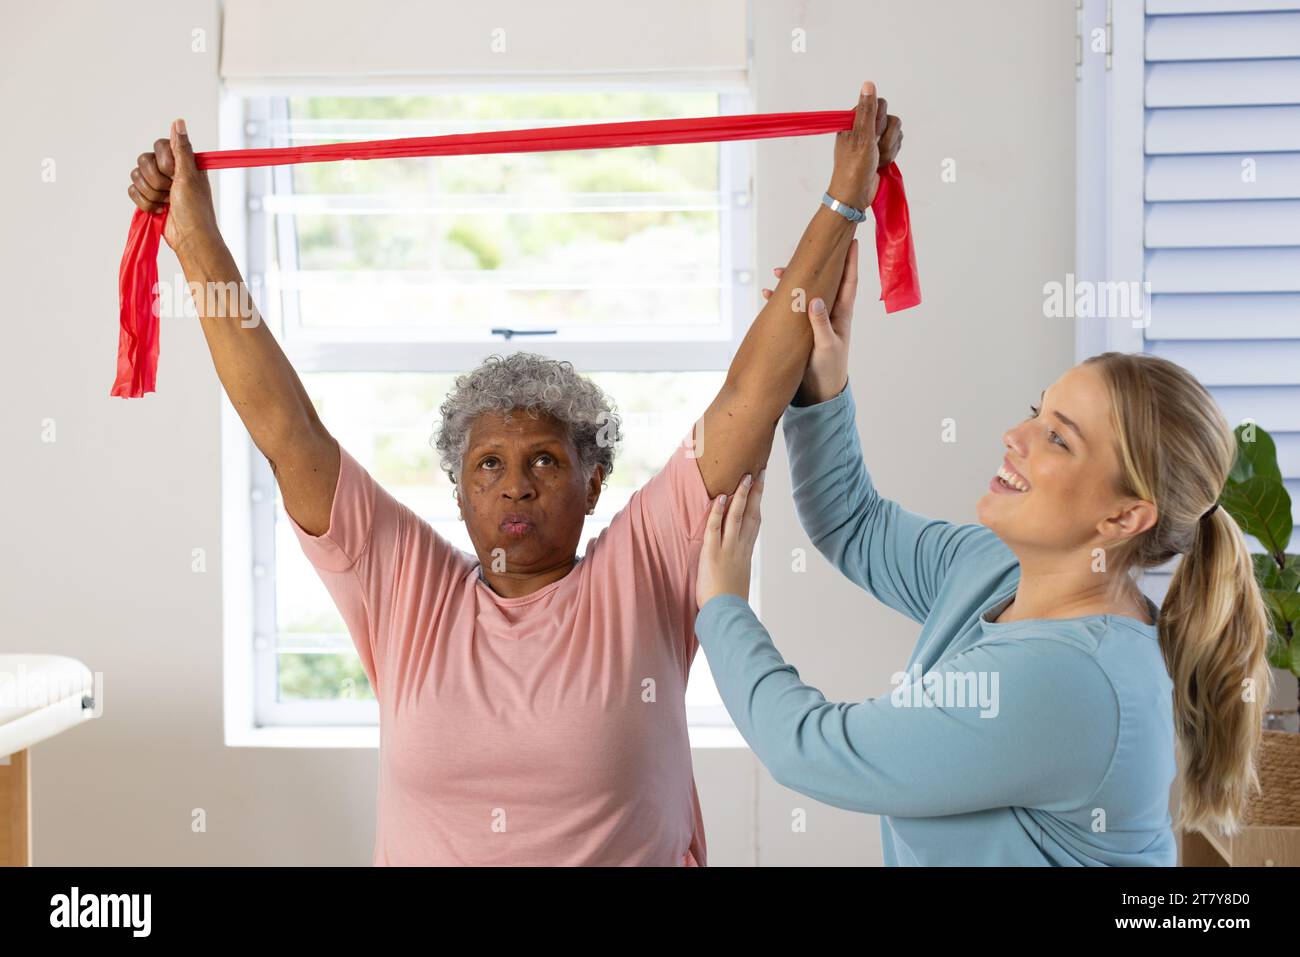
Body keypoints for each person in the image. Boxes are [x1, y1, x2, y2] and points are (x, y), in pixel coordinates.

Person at [126, 82, 901, 864]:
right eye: (488, 464)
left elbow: (748, 395)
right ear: (458, 489)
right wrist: (195, 242)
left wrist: (843, 200)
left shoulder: (644, 570)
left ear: (595, 482)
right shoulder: (405, 589)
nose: (515, 485)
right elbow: (287, 429)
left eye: (545, 461)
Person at [694, 252, 1275, 865]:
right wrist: (822, 385)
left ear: (1124, 517)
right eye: (1037, 412)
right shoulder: (996, 568)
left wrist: (724, 606)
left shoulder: (1071, 681)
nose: (1014, 437)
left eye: (1058, 438)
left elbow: (810, 749)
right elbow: (854, 524)